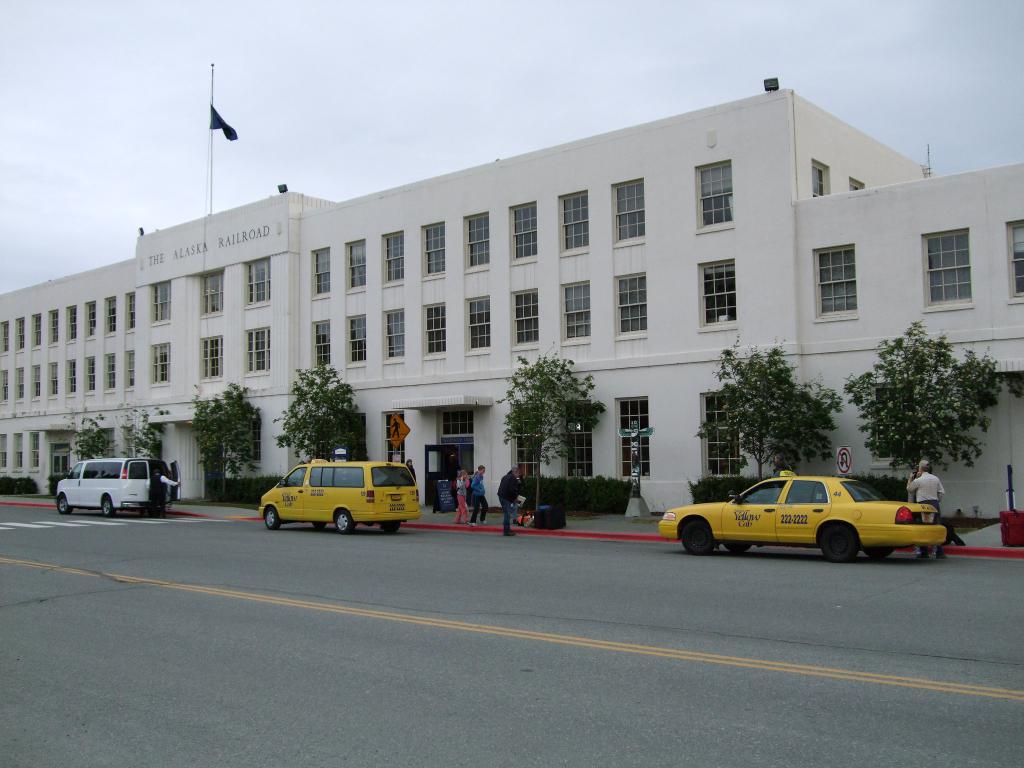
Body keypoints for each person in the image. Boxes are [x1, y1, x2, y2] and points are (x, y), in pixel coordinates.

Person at [907, 459, 946, 559]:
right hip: (934, 504)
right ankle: (939, 551)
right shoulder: (935, 478)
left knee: (922, 527)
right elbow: (941, 492)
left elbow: (909, 489)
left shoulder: (918, 480)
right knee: (936, 526)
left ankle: (923, 551)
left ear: (920, 468)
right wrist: (937, 501)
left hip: (922, 505)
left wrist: (911, 478)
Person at [497, 465, 522, 537]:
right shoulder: (513, 478)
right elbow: (512, 490)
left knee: (506, 513)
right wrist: (515, 498)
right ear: (515, 472)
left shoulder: (505, 476)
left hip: (501, 496)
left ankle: (507, 529)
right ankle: (506, 531)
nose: (519, 475)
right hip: (505, 497)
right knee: (507, 514)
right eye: (518, 473)